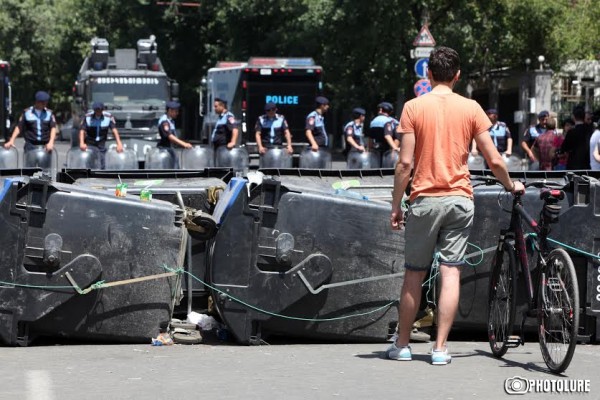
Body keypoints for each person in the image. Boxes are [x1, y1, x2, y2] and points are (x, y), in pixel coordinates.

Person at [387, 46, 523, 365]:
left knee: (413, 275)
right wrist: (510, 184)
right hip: (460, 199)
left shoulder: (412, 107)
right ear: (458, 76)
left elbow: (404, 164)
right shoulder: (472, 108)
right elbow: (493, 159)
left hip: (424, 200)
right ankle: (440, 349)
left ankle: (403, 345)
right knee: (450, 272)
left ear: (428, 73)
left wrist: (396, 205)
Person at [79, 102, 124, 169]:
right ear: (94, 110)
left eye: (99, 109)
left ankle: (102, 175)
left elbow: (114, 131)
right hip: (90, 140)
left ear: (102, 109)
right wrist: (82, 143)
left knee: (102, 159)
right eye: (96, 110)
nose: (98, 111)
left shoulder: (108, 117)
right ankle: (90, 175)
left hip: (101, 141)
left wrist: (119, 143)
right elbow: (82, 131)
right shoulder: (88, 117)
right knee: (90, 159)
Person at [157, 101, 193, 167]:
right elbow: (170, 136)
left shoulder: (170, 121)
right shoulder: (164, 121)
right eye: (176, 111)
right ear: (170, 111)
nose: (177, 113)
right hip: (165, 150)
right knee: (168, 171)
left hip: (170, 149)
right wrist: (184, 144)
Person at [561, 105, 593, 170]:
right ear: (584, 117)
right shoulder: (590, 131)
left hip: (573, 166)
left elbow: (564, 148)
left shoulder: (571, 132)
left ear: (573, 117)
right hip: (587, 165)